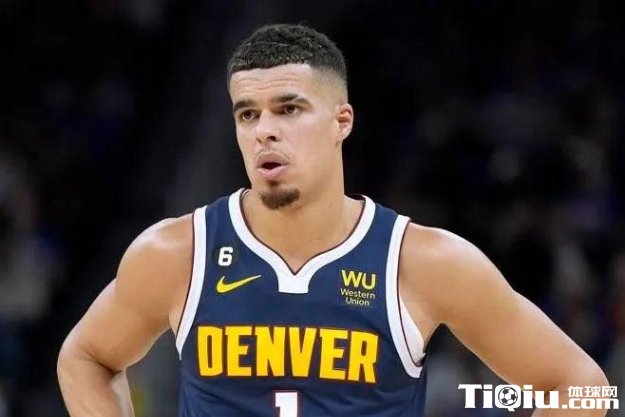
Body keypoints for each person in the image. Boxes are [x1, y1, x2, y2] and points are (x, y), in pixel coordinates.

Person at [57, 24, 609, 417]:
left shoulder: (423, 261)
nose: (264, 130)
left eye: (288, 109)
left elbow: (582, 387)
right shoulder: (177, 252)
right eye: (247, 114)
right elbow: (85, 357)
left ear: (341, 121)